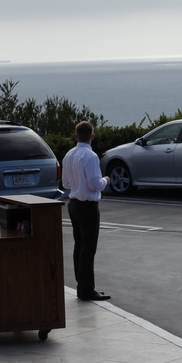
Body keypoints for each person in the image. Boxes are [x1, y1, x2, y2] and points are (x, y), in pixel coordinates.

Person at [62, 121, 110, 301]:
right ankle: (87, 289)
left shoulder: (69, 155)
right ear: (92, 135)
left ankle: (81, 286)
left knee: (79, 246)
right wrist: (106, 180)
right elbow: (94, 184)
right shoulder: (90, 156)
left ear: (76, 136)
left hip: (74, 203)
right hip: (88, 206)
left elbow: (66, 184)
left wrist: (77, 183)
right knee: (88, 249)